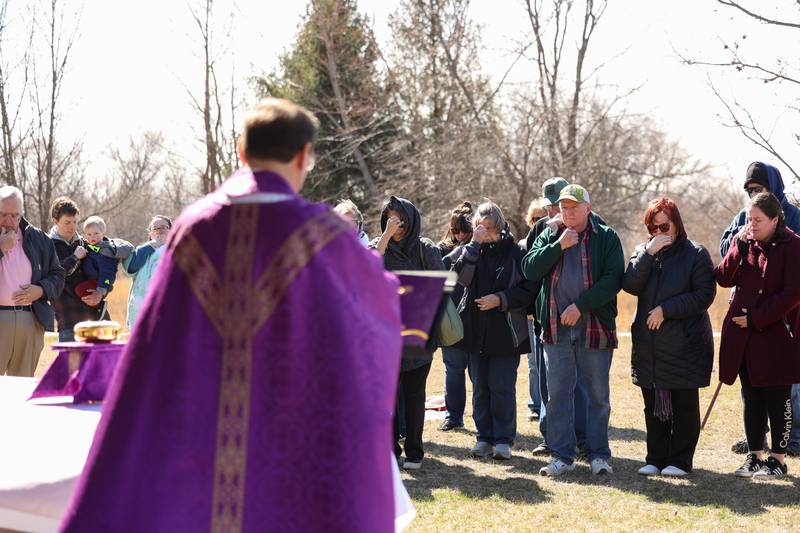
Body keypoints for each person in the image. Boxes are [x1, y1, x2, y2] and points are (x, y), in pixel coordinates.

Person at [61, 98, 405, 532]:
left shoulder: (194, 226)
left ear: (242, 153)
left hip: (204, 430)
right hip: (291, 428)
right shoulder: (323, 235)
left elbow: (155, 341)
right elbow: (377, 309)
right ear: (303, 156)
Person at [523, 184, 624, 476]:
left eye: (573, 208)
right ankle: (562, 457)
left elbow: (613, 279)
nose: (567, 213)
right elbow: (529, 269)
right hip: (556, 328)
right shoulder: (550, 233)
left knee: (597, 395)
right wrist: (558, 246)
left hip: (594, 326)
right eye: (563, 208)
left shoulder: (606, 237)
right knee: (556, 395)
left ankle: (598, 456)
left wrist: (580, 306)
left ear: (588, 209)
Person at [622, 198, 716, 477]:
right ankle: (656, 457)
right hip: (649, 346)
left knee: (684, 406)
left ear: (677, 224)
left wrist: (666, 309)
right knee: (652, 405)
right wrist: (648, 255)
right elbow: (629, 284)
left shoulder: (696, 254)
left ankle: (680, 460)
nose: (658, 232)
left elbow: (704, 295)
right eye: (652, 227)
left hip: (685, 344)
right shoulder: (643, 252)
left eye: (664, 225)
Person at [715, 192, 800, 479]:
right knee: (751, 397)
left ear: (775, 219)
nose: (752, 225)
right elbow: (723, 278)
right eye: (749, 219)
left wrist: (757, 317)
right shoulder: (745, 242)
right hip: (743, 337)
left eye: (758, 220)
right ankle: (754, 456)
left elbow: (792, 294)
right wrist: (737, 246)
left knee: (778, 399)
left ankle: (778, 459)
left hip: (777, 336)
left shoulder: (794, 246)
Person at [450, 201, 533, 460]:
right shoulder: (471, 251)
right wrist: (472, 246)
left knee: (502, 387)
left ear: (498, 227)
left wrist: (500, 299)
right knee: (481, 387)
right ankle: (483, 437)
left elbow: (527, 291)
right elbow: (458, 279)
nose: (483, 232)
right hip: (475, 330)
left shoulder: (515, 253)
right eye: (478, 227)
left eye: (487, 228)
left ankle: (503, 440)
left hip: (505, 332)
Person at [370, 195, 444, 470]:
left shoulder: (426, 249)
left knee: (414, 396)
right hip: (386, 335)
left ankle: (415, 451)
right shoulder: (381, 248)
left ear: (410, 220)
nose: (395, 223)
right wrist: (386, 236)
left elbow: (440, 287)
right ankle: (390, 450)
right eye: (389, 218)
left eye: (399, 218)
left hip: (417, 331)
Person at [524, 178, 590, 458]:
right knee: (547, 382)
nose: (553, 212)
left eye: (558, 206)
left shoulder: (587, 226)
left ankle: (582, 436)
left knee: (580, 383)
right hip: (545, 318)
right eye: (549, 206)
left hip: (580, 320)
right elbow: (529, 269)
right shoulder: (541, 228)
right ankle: (549, 436)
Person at [0, 185, 64, 376]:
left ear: (22, 213)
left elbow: (58, 275)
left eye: (15, 215)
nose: (9, 221)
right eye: (3, 214)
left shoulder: (39, 239)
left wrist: (41, 290)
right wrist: (1, 247)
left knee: (20, 388)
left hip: (30, 321)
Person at [48, 197, 108, 342]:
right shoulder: (48, 246)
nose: (72, 226)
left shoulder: (86, 242)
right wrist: (75, 257)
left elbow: (105, 273)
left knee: (104, 364)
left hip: (98, 319)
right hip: (70, 322)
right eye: (67, 222)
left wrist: (100, 293)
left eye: (75, 221)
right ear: (55, 221)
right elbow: (56, 275)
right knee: (72, 365)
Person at [438, 201, 473, 432]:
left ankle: (484, 419)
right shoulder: (442, 251)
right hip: (451, 318)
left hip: (476, 316)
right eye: (455, 230)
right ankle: (453, 415)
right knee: (453, 368)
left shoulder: (481, 249)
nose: (459, 235)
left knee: (479, 373)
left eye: (464, 230)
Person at [122, 215, 172, 329]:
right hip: (141, 310)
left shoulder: (177, 251)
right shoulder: (143, 251)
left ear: (171, 231)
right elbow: (131, 268)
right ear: (150, 233)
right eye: (156, 228)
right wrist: (151, 246)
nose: (160, 230)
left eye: (164, 227)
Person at [522, 198, 547, 422]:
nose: (541, 222)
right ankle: (535, 404)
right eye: (537, 218)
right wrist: (528, 308)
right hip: (530, 313)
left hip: (547, 313)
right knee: (533, 363)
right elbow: (526, 281)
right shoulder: (524, 245)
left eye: (543, 217)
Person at [79, 215, 133, 298]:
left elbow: (108, 272)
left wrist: (101, 291)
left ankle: (99, 306)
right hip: (89, 278)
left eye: (96, 233)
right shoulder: (91, 247)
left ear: (103, 233)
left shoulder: (105, 252)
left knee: (80, 290)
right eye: (89, 234)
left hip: (99, 283)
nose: (92, 236)